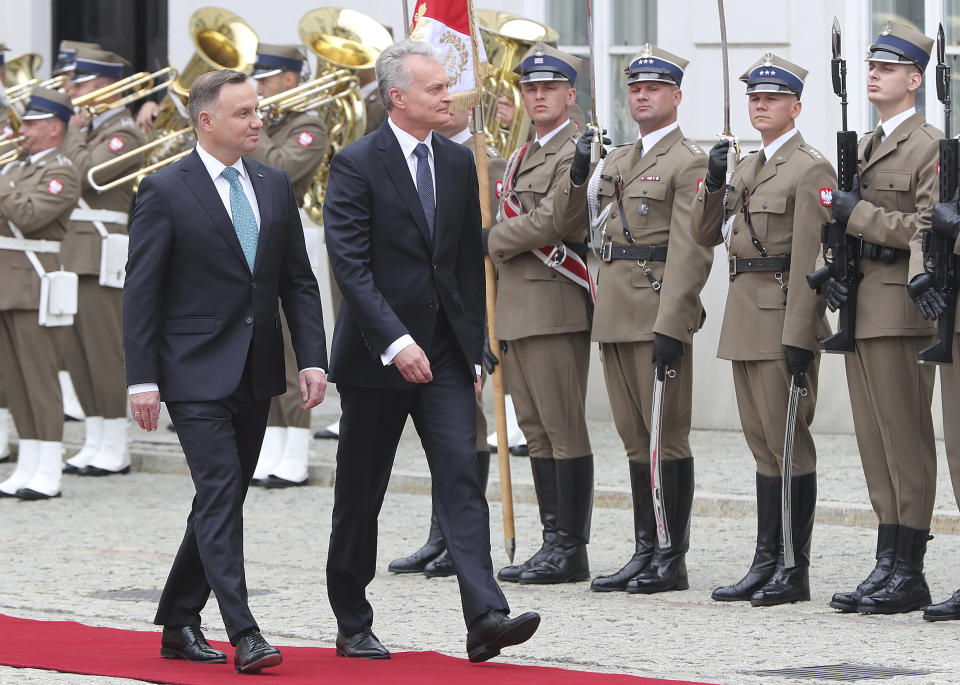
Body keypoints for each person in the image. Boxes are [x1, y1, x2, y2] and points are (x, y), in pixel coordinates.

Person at [323, 38, 539, 663]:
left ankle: (485, 616)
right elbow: (351, 267)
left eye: (448, 86)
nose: (451, 96)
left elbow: (465, 265)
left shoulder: (455, 160)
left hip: (445, 353)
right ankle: (352, 618)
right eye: (437, 88)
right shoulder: (357, 163)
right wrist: (395, 341)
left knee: (461, 478)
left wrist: (473, 350)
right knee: (362, 493)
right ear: (398, 97)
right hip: (377, 357)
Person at [123, 69, 328, 673]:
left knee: (223, 497)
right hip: (190, 373)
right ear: (206, 121)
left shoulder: (272, 183)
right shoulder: (164, 189)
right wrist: (143, 378)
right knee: (219, 493)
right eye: (243, 113)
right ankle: (245, 631)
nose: (258, 121)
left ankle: (178, 620)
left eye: (258, 110)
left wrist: (311, 358)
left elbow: (297, 280)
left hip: (257, 370)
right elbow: (142, 294)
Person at [554, 44, 711, 594]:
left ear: (675, 97)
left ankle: (672, 553)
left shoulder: (687, 159)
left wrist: (674, 321)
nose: (642, 96)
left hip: (655, 309)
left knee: (666, 438)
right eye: (635, 89)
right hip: (614, 309)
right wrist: (578, 172)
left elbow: (693, 249)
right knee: (633, 438)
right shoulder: (615, 159)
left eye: (654, 88)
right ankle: (645, 548)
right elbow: (577, 224)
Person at [693, 54, 834, 606]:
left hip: (782, 317)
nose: (760, 105)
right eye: (754, 97)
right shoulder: (748, 167)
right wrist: (712, 180)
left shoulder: (810, 167)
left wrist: (801, 332)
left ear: (795, 107)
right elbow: (707, 232)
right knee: (762, 447)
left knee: (789, 443)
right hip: (744, 316)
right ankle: (765, 558)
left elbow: (809, 256)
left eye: (772, 98)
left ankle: (794, 570)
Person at [824, 22, 940, 616]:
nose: (874, 74)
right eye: (871, 66)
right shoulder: (865, 144)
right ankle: (887, 558)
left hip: (901, 310)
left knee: (906, 440)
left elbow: (927, 230)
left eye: (889, 67)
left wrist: (859, 215)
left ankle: (911, 568)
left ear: (915, 79)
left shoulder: (931, 146)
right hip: (862, 305)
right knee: (874, 443)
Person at [483, 42, 595, 586]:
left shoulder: (579, 148)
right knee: (536, 430)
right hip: (515, 309)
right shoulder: (524, 151)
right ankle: (551, 540)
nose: (538, 95)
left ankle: (571, 548)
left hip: (554, 304)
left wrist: (491, 239)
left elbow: (556, 221)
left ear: (570, 95)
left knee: (563, 429)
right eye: (530, 88)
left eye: (549, 87)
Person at [388, 106, 504, 578]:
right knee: (447, 436)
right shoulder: (413, 158)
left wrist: (479, 331)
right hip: (425, 317)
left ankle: (459, 540)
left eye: (452, 93)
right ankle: (441, 535)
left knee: (466, 431)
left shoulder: (483, 162)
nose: (444, 102)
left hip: (464, 316)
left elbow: (482, 251)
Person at [59, 47, 146, 477]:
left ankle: (115, 443)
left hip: (100, 249)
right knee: (76, 354)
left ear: (105, 88)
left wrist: (69, 136)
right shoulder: (90, 132)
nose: (72, 92)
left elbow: (87, 176)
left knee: (103, 351)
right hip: (73, 250)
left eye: (81, 84)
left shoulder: (123, 132)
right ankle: (94, 438)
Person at [245, 43, 329, 488]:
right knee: (267, 352)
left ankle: (297, 447)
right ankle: (273, 445)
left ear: (290, 80)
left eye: (266, 78)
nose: (258, 86)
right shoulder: (270, 124)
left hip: (288, 241)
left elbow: (282, 168)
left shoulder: (308, 124)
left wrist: (255, 130)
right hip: (253, 238)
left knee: (293, 349)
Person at [0, 88, 81, 500]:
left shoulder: (62, 172)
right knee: (14, 382)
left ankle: (49, 466)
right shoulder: (14, 168)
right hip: (6, 283)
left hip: (35, 282)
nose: (22, 131)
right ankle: (27, 463)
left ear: (54, 128)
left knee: (40, 380)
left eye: (30, 124)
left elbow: (29, 217)